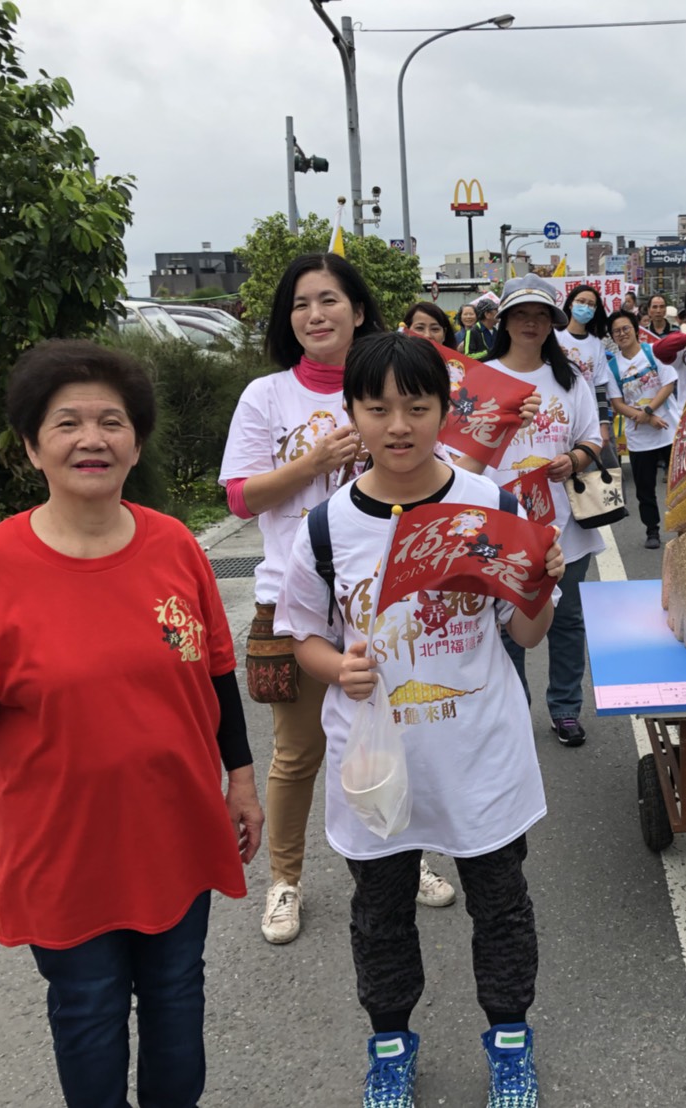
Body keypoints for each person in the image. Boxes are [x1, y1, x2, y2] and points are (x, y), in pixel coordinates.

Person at [0, 341, 262, 1107]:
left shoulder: (175, 544)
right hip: (64, 849)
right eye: (67, 423)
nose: (92, 439)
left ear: (135, 442)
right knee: (88, 1014)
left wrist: (243, 781)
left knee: (177, 1000)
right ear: (33, 447)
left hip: (177, 828)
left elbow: (217, 674)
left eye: (111, 421)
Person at [277, 333, 562, 1108]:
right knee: (380, 916)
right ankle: (390, 1048)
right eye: (378, 408)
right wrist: (336, 668)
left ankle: (511, 1044)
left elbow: (527, 633)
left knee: (501, 906)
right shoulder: (326, 528)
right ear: (353, 413)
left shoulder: (490, 505)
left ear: (445, 410)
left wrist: (540, 584)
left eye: (417, 406)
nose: (398, 425)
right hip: (377, 763)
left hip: (480, 752)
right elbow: (302, 636)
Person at [220, 253, 454, 947]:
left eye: (329, 300)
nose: (315, 315)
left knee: (400, 735)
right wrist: (314, 463)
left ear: (358, 309)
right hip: (295, 601)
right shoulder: (266, 396)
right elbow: (239, 497)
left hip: (390, 598)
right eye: (300, 304)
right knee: (298, 753)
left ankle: (403, 855)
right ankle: (285, 879)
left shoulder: (393, 382)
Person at [483, 274, 604, 747]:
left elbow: (593, 439)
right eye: (520, 314)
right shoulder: (482, 378)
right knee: (505, 626)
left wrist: (573, 459)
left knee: (567, 621)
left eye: (540, 315)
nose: (530, 323)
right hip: (500, 525)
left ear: (552, 322)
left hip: (564, 523)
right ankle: (514, 710)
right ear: (504, 321)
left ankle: (566, 709)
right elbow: (458, 451)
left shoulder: (568, 379)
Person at [604, 309, 677, 549]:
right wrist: (646, 418)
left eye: (626, 328)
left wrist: (649, 411)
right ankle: (652, 530)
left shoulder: (653, 352)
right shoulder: (612, 367)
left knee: (678, 484)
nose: (622, 334)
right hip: (639, 439)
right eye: (616, 331)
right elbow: (617, 403)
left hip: (668, 432)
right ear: (612, 337)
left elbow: (668, 384)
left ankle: (684, 526)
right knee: (645, 489)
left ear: (635, 330)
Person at [555, 283, 614, 444]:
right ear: (570, 304)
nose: (585, 307)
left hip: (588, 416)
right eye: (581, 301)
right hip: (559, 413)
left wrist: (603, 424)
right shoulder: (554, 337)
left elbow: (600, 386)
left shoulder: (596, 344)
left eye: (591, 304)